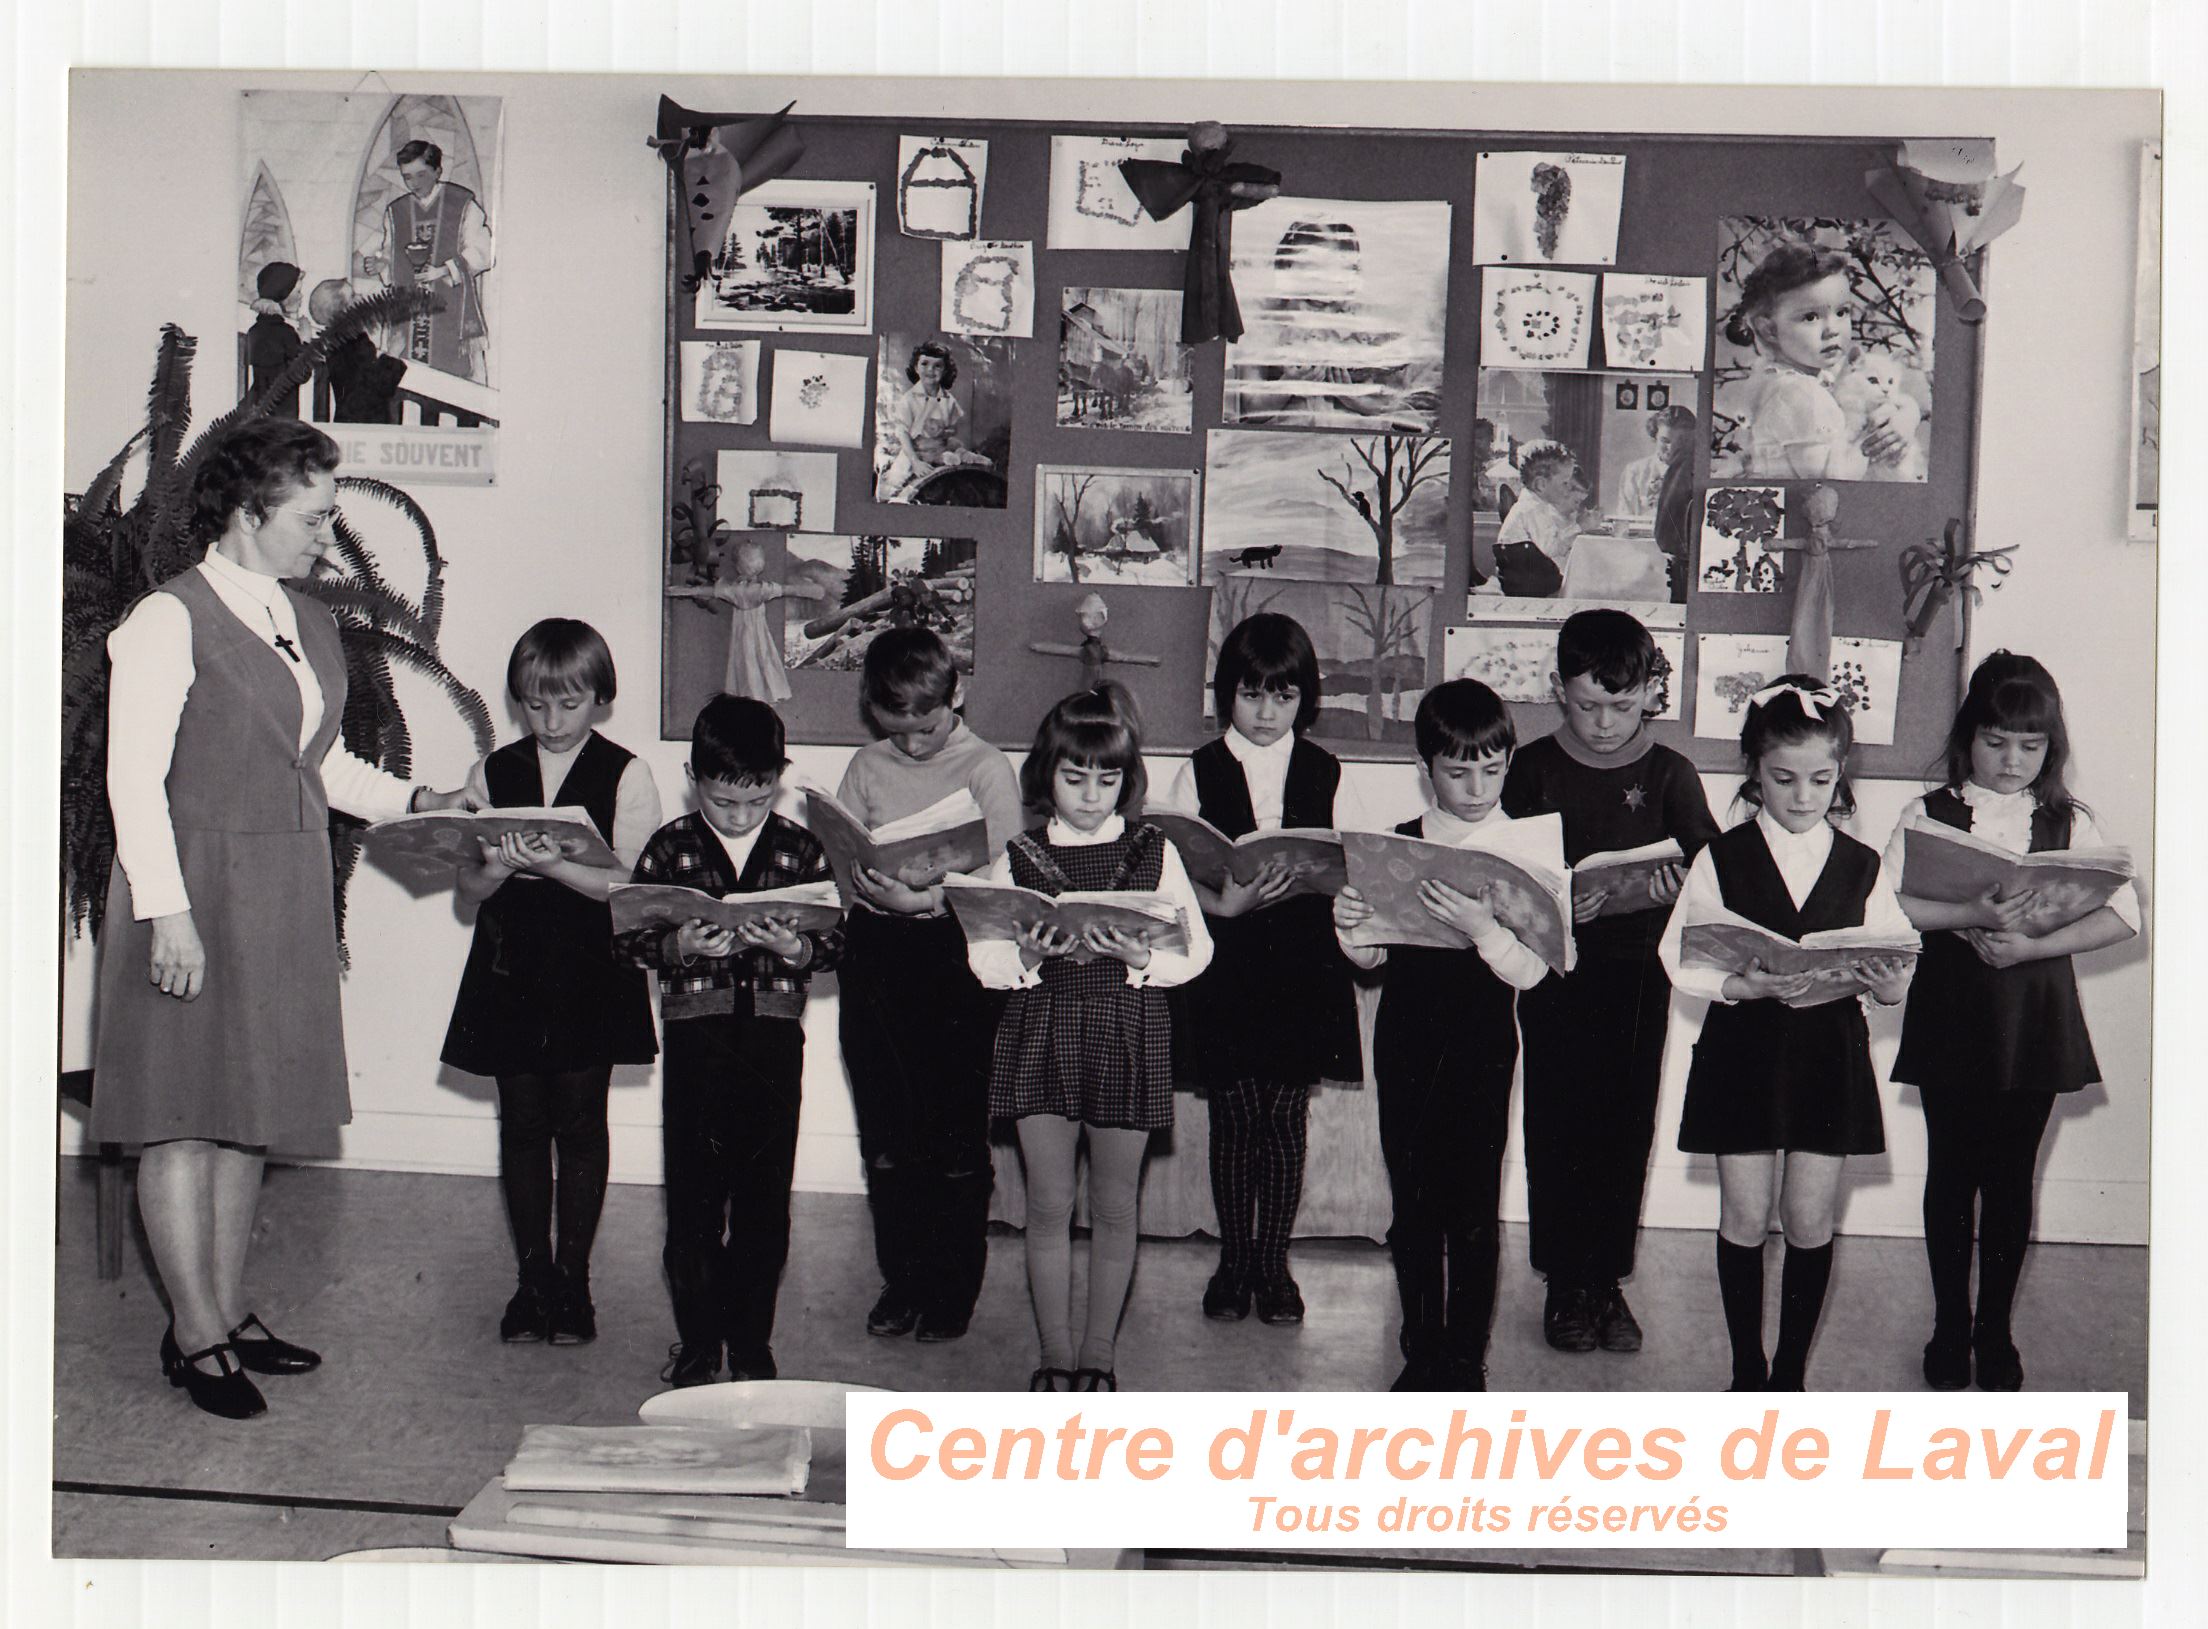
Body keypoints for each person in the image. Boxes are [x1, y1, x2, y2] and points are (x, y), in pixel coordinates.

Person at [95, 418, 473, 1418]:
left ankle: (226, 1308)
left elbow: (320, 763)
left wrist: (418, 801)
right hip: (190, 885)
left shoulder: (302, 618)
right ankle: (193, 1331)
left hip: (279, 885)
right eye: (311, 515)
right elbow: (132, 779)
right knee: (181, 1120)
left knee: (245, 1118)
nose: (326, 533)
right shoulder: (166, 620)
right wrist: (169, 918)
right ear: (248, 510)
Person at [1885, 653, 2139, 1391]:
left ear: (2050, 747)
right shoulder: (1925, 813)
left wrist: (2034, 943)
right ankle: (1948, 1325)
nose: (2011, 760)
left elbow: (2122, 916)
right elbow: (1888, 901)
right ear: (1969, 736)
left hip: (2035, 1014)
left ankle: (1994, 1328)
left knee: (2009, 1177)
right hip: (1955, 1009)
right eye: (1997, 742)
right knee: (1952, 1171)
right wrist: (1968, 914)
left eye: (2030, 746)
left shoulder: (2070, 820)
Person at [1659, 678, 1916, 1390]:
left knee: (1808, 1217)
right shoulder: (1722, 856)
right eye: (1783, 778)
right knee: (1744, 1212)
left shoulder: (1863, 866)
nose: (1804, 796)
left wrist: (1882, 977)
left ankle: (1790, 1373)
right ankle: (1747, 1367)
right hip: (1743, 1050)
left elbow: (1896, 974)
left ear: (1840, 775)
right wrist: (1739, 985)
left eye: (1821, 779)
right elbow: (1680, 953)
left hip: (1828, 1055)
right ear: (1754, 771)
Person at [968, 685, 1213, 1392]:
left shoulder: (1154, 851)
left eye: (1107, 780)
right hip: (1041, 1029)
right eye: (1074, 778)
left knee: (1114, 1204)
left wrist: (1143, 961)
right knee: (1046, 1205)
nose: (1090, 794)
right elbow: (982, 958)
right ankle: (1054, 1354)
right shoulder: (1016, 856)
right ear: (1046, 773)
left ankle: (1098, 1355)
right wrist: (1025, 956)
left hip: (1127, 1029)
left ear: (1126, 779)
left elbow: (1196, 951)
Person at [1502, 609, 1720, 1356]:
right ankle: (1565, 1280)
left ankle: (1608, 1279)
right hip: (1555, 976)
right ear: (1558, 688)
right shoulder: (1530, 768)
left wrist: (1673, 889)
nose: (1602, 723)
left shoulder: (1670, 774)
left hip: (1637, 978)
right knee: (1558, 1125)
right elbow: (1504, 871)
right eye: (1586, 704)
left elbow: (1717, 877)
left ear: (1651, 694)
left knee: (1626, 1126)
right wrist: (1558, 899)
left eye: (1621, 707)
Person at [441, 619, 661, 1347]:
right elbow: (468, 891)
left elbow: (631, 884)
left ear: (600, 699)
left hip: (589, 970)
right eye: (536, 704)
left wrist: (553, 865)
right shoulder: (493, 772)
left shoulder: (628, 773)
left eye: (568, 704)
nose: (552, 720)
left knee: (581, 1120)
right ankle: (532, 1278)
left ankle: (575, 1281)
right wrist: (498, 865)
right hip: (510, 968)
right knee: (523, 1122)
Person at [616, 696, 842, 1388]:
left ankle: (750, 1338)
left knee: (764, 1199)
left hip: (774, 1044)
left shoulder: (801, 848)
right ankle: (696, 1340)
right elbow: (630, 934)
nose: (739, 816)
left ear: (778, 778)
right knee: (692, 1197)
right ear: (693, 776)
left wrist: (796, 946)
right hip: (698, 1041)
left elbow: (835, 944)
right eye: (722, 802)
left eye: (756, 800)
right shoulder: (670, 844)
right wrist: (678, 943)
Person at [1331, 680, 1549, 1390]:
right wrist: (1351, 928)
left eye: (1492, 767)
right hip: (1406, 1043)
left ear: (1509, 760)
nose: (1477, 785)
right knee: (1414, 1207)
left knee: (1475, 1212)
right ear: (1425, 769)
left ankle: (1464, 1358)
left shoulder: (1525, 848)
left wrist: (1486, 928)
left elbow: (1531, 972)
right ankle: (1422, 1348)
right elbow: (1370, 960)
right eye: (1458, 771)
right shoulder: (1398, 844)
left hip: (1484, 1047)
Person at [1156, 612, 1363, 1325]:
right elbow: (1171, 876)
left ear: (1307, 698)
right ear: (1226, 695)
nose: (1268, 711)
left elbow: (1351, 863)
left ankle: (1274, 1263)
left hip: (1303, 963)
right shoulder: (1199, 766)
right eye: (1252, 695)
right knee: (1236, 1112)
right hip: (1230, 961)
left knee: (1284, 1112)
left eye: (1284, 695)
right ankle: (1233, 1259)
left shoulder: (1328, 769)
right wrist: (1227, 901)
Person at [833, 628, 1024, 1343]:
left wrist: (934, 898)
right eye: (897, 728)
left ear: (957, 696)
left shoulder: (986, 767)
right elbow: (844, 856)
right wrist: (865, 882)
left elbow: (1006, 872)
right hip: (878, 957)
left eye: (927, 725)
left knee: (951, 1133)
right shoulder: (866, 763)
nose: (912, 743)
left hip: (957, 958)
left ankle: (951, 1286)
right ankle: (902, 1277)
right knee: (888, 1131)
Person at [1719, 239, 1908, 480]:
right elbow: (1833, 482)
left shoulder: (1805, 379)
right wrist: (1869, 434)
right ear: (1769, 330)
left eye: (1842, 312)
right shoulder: (1799, 394)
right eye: (1810, 317)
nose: (1832, 329)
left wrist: (1904, 420)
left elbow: (1905, 401)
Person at [370, 138, 495, 383]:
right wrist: (381, 265)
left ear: (437, 171)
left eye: (421, 175)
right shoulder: (396, 211)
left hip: (450, 308)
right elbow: (389, 252)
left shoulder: (461, 204)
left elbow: (484, 251)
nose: (414, 184)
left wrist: (444, 270)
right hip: (409, 312)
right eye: (407, 177)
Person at [879, 341, 984, 501]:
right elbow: (903, 432)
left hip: (940, 446)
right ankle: (888, 497)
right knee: (895, 480)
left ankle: (964, 457)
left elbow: (953, 428)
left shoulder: (948, 399)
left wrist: (945, 431)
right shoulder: (909, 399)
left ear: (945, 370)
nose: (930, 370)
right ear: (916, 367)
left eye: (937, 366)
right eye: (925, 364)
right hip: (916, 448)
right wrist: (915, 461)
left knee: (956, 451)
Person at [1490, 441, 1583, 597]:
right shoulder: (1533, 509)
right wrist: (1579, 527)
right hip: (1528, 584)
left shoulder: (1535, 505)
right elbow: (1550, 549)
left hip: (1529, 578)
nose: (1568, 489)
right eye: (1565, 483)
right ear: (1541, 485)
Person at [310, 277, 407, 424]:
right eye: (353, 296)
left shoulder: (342, 340)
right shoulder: (352, 344)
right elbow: (375, 389)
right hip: (364, 425)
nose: (361, 297)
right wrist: (393, 354)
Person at [245, 261, 305, 417]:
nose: (301, 297)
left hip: (258, 412)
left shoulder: (254, 331)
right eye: (297, 292)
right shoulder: (286, 333)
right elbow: (302, 374)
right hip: (283, 415)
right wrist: (305, 341)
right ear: (283, 294)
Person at [1618, 404, 1695, 519]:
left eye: (1682, 441)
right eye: (1665, 441)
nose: (1672, 448)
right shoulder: (1634, 472)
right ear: (1654, 437)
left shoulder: (1701, 472)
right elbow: (1625, 519)